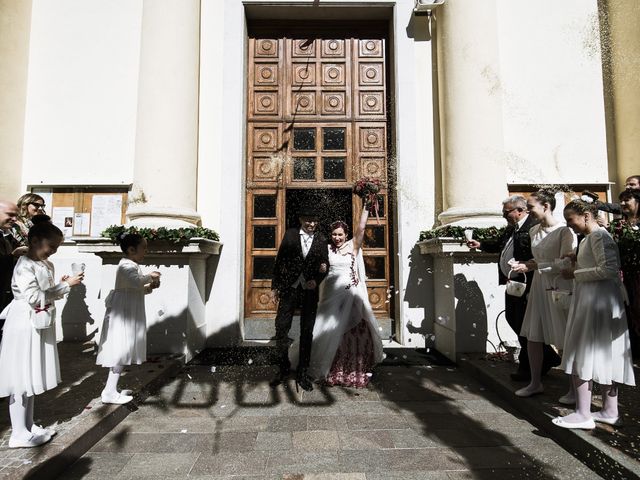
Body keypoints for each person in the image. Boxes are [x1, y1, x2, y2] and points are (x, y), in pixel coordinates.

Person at [0, 215, 83, 448]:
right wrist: (66, 286)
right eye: (52, 247)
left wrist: (60, 283)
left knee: (31, 375)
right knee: (20, 376)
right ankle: (18, 432)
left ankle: (27, 425)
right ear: (35, 240)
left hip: (40, 322)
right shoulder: (24, 265)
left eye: (57, 248)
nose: (54, 252)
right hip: (24, 322)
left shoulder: (46, 264)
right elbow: (34, 297)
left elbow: (45, 290)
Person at [552, 200, 635, 429]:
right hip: (593, 299)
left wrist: (575, 273)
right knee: (604, 354)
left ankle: (583, 413)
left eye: (571, 219)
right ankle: (609, 411)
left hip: (596, 304)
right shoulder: (590, 238)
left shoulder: (599, 236)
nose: (570, 225)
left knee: (583, 350)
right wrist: (576, 258)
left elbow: (607, 269)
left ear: (586, 215)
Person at [467, 195, 561, 381]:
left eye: (506, 212)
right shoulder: (513, 228)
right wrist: (481, 245)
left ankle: (528, 368)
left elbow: (538, 255)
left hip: (528, 283)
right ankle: (548, 357)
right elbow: (501, 246)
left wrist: (527, 265)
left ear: (520, 211)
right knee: (513, 319)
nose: (504, 216)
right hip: (514, 284)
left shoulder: (531, 228)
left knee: (525, 326)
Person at [297, 201, 384, 388]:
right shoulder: (326, 248)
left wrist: (366, 208)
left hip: (350, 294)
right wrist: (319, 269)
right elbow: (318, 264)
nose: (337, 238)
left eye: (340, 234)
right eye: (334, 234)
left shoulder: (353, 247)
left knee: (351, 332)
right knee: (326, 329)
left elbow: (361, 229)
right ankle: (325, 367)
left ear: (346, 235)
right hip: (330, 294)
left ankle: (351, 369)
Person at [511, 190, 577, 401]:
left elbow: (566, 263)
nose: (528, 211)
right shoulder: (534, 231)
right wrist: (526, 266)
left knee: (566, 336)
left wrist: (537, 266)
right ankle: (535, 382)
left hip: (560, 286)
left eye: (530, 207)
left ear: (546, 206)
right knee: (533, 335)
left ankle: (575, 389)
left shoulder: (564, 231)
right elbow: (537, 259)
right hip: (539, 285)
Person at [95, 233, 160, 404]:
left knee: (124, 347)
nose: (146, 251)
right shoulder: (125, 265)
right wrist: (150, 276)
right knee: (120, 347)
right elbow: (135, 281)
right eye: (143, 248)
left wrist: (150, 286)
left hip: (130, 309)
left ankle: (111, 388)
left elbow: (136, 287)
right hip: (123, 312)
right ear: (131, 250)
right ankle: (109, 392)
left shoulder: (131, 265)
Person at [270, 206, 329, 392]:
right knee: (281, 327)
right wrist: (275, 287)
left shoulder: (321, 239)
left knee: (307, 331)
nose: (311, 224)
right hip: (289, 289)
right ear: (301, 219)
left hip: (309, 292)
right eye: (308, 220)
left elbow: (325, 263)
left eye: (314, 221)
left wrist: (318, 278)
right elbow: (280, 261)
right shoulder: (290, 234)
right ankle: (283, 367)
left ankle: (303, 373)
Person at [609, 189, 640, 359]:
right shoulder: (617, 225)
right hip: (624, 276)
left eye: (627, 200)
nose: (622, 204)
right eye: (621, 200)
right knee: (627, 311)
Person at [0, 200, 20, 342]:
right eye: (10, 215)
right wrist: (12, 256)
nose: (14, 219)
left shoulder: (8, 236)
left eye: (16, 216)